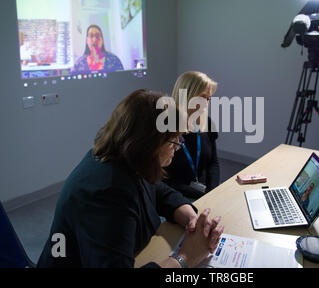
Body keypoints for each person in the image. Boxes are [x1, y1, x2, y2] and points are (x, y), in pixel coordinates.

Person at [37, 89, 224, 268]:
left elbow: (158, 191)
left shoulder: (127, 158)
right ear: (149, 144)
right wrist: (185, 259)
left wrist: (191, 219)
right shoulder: (107, 192)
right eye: (174, 141)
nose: (178, 147)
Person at [163, 71, 220, 200]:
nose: (206, 103)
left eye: (208, 98)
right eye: (202, 97)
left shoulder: (207, 122)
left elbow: (213, 163)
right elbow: (161, 179)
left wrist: (213, 190)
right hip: (175, 196)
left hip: (204, 192)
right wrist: (201, 195)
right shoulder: (166, 126)